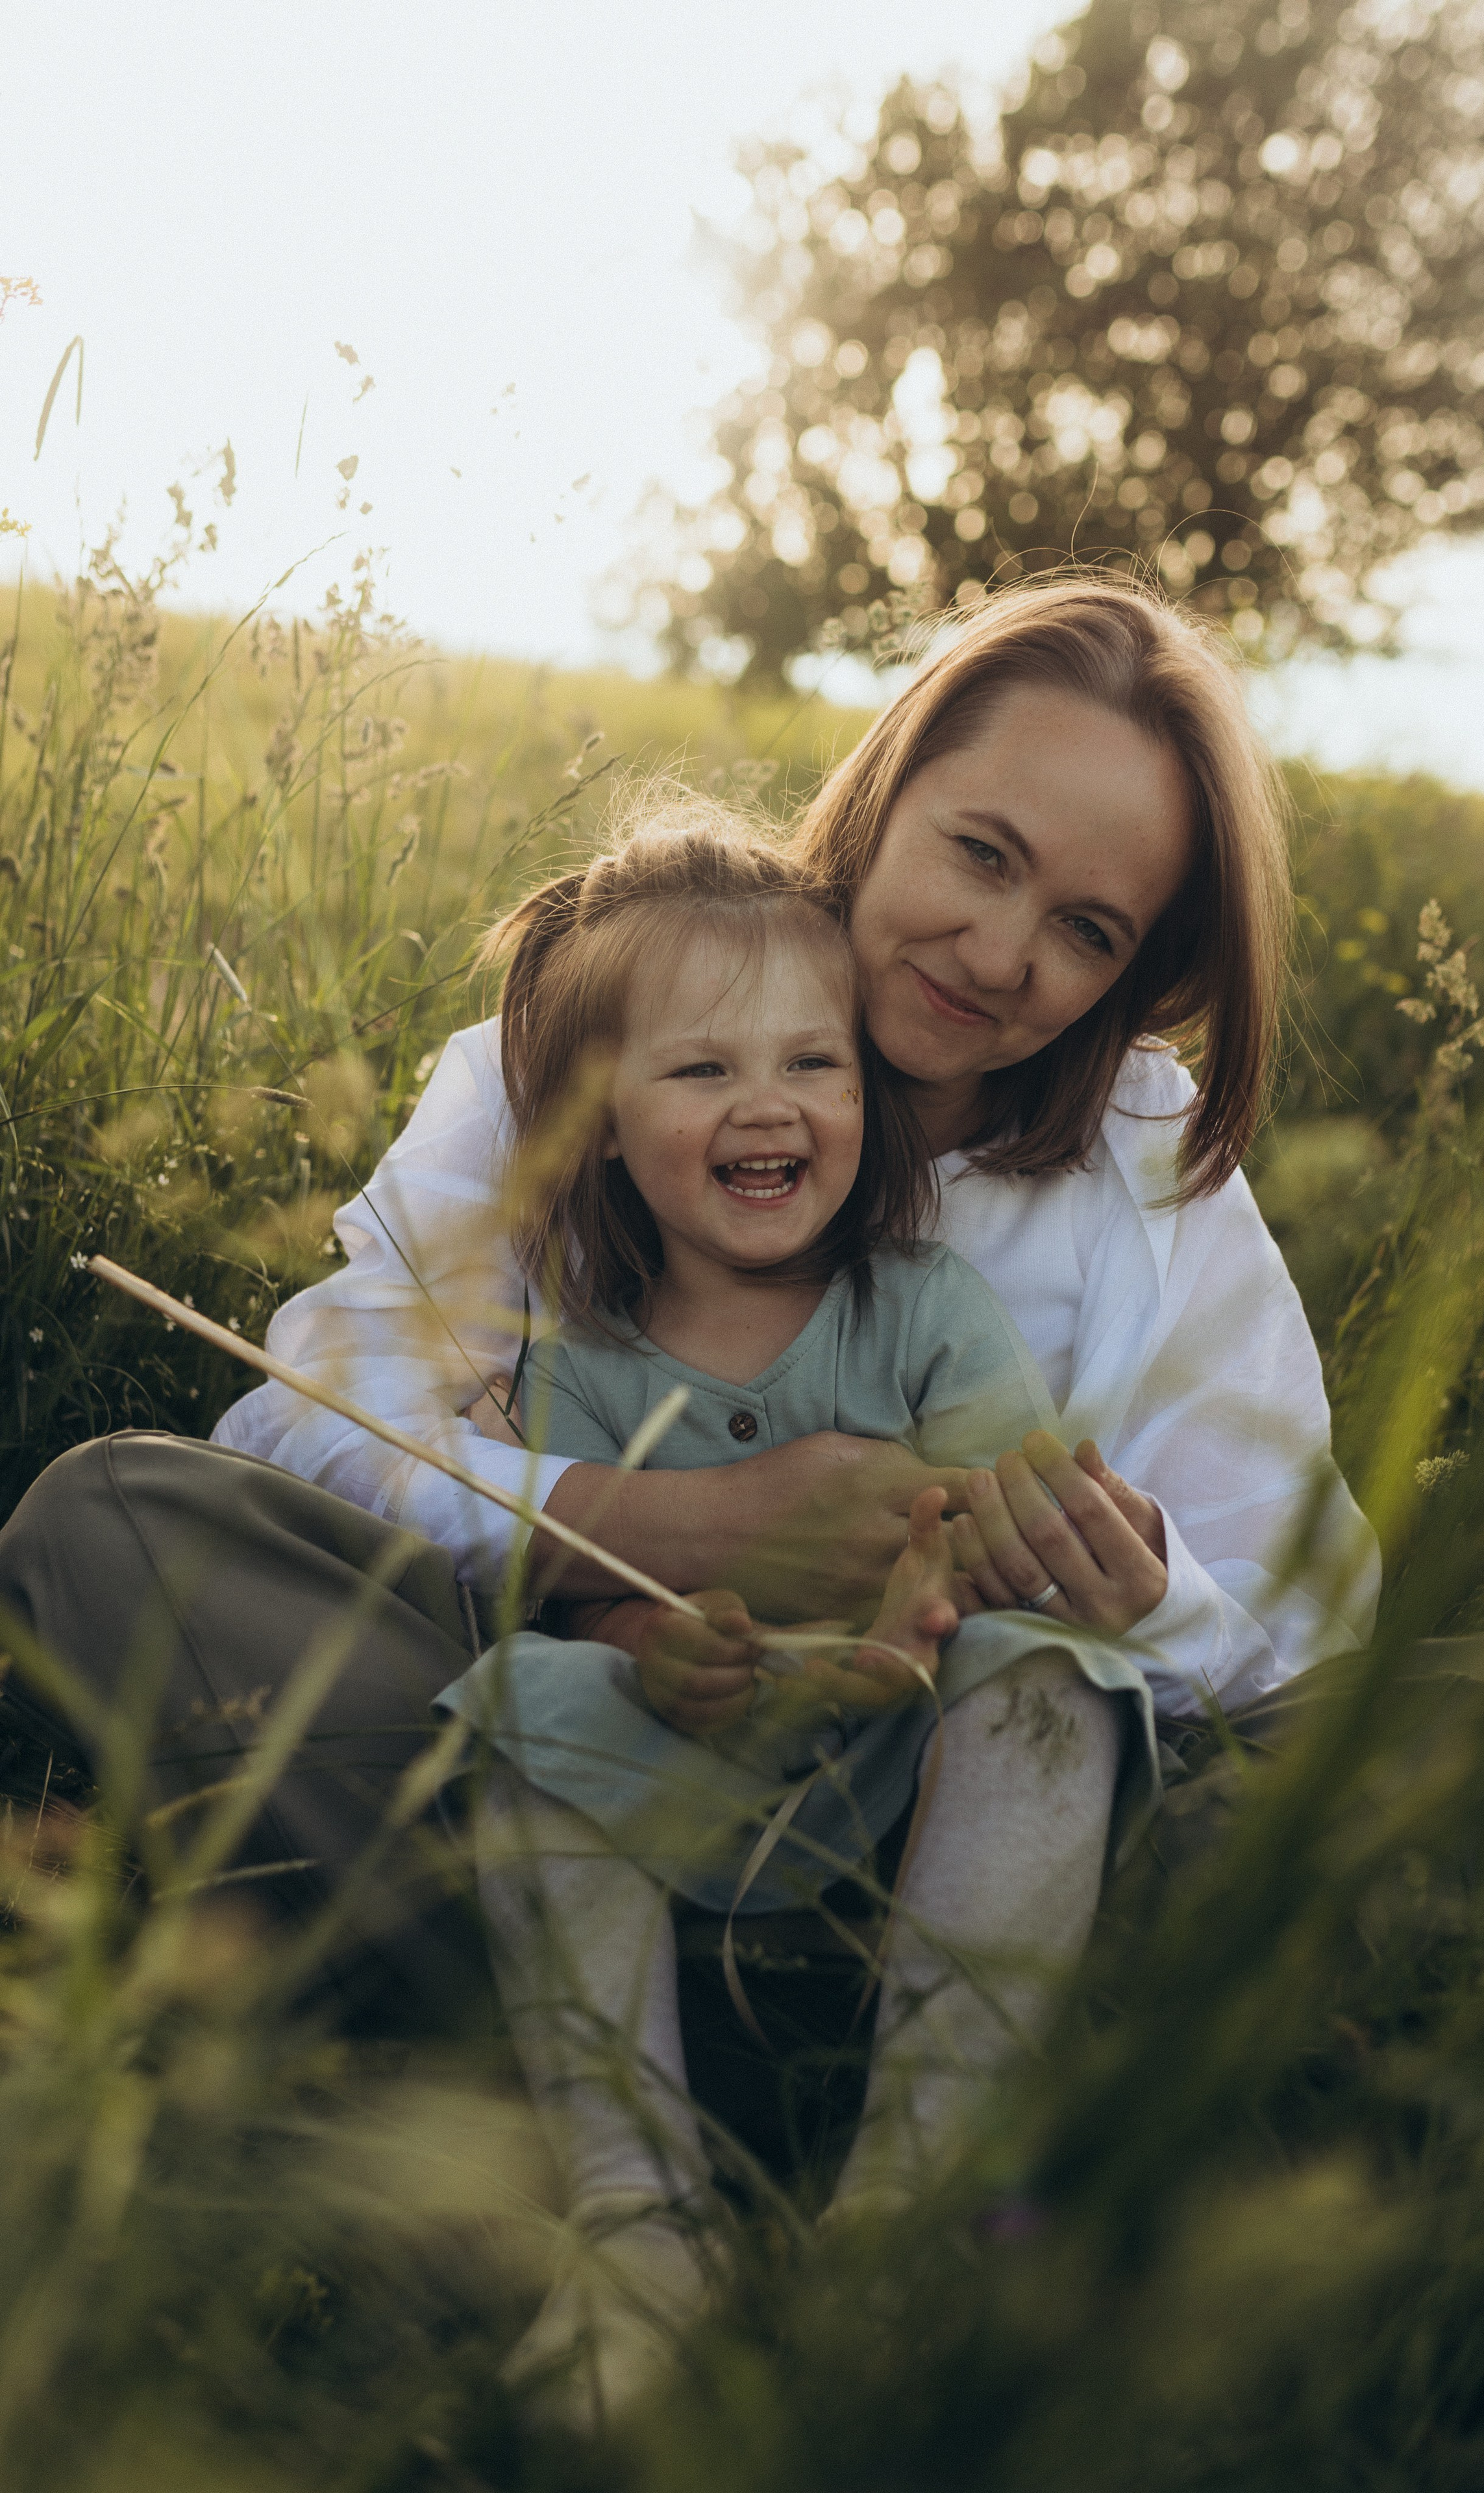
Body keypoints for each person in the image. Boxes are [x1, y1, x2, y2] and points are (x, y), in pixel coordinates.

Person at [0, 576, 1377, 2059]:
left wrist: (1141, 1598)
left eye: (1086, 930)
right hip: (570, 1751)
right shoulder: (580, 1038)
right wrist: (685, 1523)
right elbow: (308, 1419)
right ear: (885, 791)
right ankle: (683, 2033)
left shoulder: (1139, 1153)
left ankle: (582, 2037)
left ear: (1135, 969)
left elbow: (1306, 1623)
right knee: (116, 1512)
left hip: (969, 1809)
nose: (996, 954)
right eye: (979, 853)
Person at [441, 804, 1166, 2405]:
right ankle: (636, 2220)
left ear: (866, 1090)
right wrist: (651, 1643)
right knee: (520, 1706)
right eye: (700, 1071)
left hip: (897, 1769)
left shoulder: (916, 1309)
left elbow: (999, 1513)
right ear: (598, 1125)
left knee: (1050, 1682)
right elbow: (571, 1611)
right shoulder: (568, 1367)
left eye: (812, 1065)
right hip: (690, 1770)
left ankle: (910, 2199)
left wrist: (930, 1579)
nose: (765, 1106)